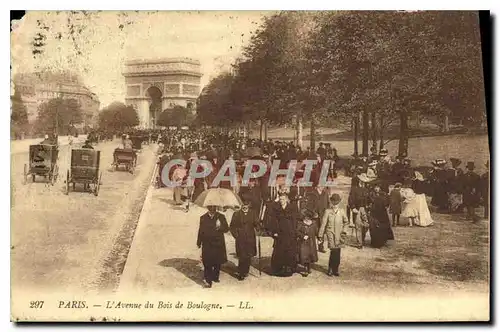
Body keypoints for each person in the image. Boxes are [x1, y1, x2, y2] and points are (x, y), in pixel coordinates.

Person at [197, 205, 229, 288]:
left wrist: (220, 227)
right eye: (210, 207)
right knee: (207, 262)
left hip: (218, 243)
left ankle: (215, 276)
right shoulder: (203, 218)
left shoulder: (221, 217)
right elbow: (201, 230)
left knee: (217, 261)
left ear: (216, 208)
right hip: (207, 243)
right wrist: (199, 242)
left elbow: (226, 229)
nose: (212, 209)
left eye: (213, 207)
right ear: (207, 208)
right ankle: (208, 281)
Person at [318, 193, 348, 277]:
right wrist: (320, 235)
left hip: (340, 234)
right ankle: (330, 268)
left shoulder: (342, 211)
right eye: (333, 202)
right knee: (333, 250)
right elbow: (323, 224)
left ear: (339, 202)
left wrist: (344, 231)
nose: (335, 204)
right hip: (330, 233)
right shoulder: (327, 211)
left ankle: (336, 269)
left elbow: (346, 222)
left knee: (338, 251)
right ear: (331, 202)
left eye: (337, 202)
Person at [230, 197, 259, 281]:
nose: (245, 206)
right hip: (241, 238)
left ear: (249, 205)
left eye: (246, 205)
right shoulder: (236, 214)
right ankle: (241, 273)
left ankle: (246, 271)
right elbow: (232, 227)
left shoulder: (253, 213)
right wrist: (236, 235)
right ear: (241, 205)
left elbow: (256, 223)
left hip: (250, 238)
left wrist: (258, 227)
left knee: (248, 255)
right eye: (243, 205)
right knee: (242, 255)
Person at [270, 192, 299, 277]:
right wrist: (274, 232)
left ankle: (289, 268)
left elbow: (295, 221)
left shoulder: (292, 208)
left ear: (286, 199)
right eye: (280, 199)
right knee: (279, 251)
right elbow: (274, 221)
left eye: (283, 199)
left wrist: (295, 232)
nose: (281, 201)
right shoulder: (276, 208)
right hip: (280, 233)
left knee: (290, 251)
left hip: (290, 233)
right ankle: (278, 269)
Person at [368, 183, 394, 248]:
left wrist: (386, 205)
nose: (376, 188)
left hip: (382, 213)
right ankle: (374, 242)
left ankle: (382, 241)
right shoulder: (371, 194)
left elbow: (388, 201)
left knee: (382, 227)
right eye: (375, 187)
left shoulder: (383, 194)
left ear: (380, 188)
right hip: (373, 212)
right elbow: (368, 202)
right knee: (373, 227)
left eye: (378, 187)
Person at [296, 209, 319, 277]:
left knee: (310, 255)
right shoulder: (301, 224)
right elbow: (297, 231)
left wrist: (319, 238)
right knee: (304, 255)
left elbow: (316, 232)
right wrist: (302, 236)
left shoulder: (314, 224)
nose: (307, 219)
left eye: (308, 218)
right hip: (304, 243)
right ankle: (305, 268)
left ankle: (309, 267)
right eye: (305, 217)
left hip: (311, 243)